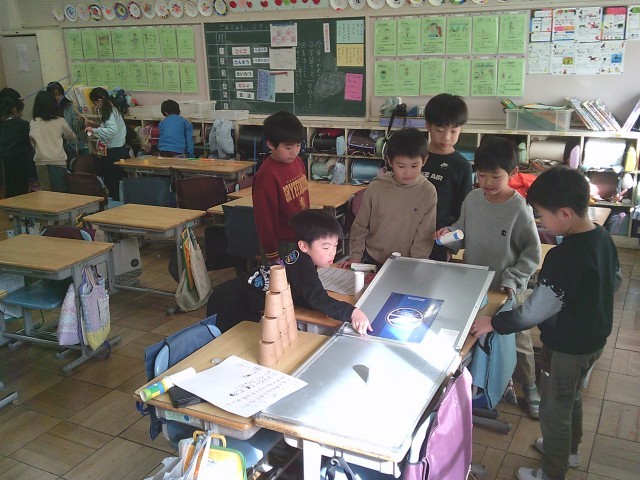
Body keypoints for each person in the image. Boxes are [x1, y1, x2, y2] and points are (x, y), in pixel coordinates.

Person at [470, 166, 621, 480]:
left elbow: (533, 313)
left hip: (568, 346)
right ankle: (569, 452)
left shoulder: (563, 257)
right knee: (571, 398)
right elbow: (615, 281)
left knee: (555, 410)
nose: (541, 223)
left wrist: (494, 323)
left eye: (542, 215)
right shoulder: (603, 237)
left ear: (564, 213)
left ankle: (552, 472)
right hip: (594, 339)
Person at [435, 136, 542, 418]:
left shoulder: (519, 208)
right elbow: (461, 232)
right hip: (475, 285)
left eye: (495, 176)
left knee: (518, 340)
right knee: (475, 336)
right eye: (481, 175)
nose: (487, 182)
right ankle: (484, 384)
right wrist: (448, 236)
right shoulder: (472, 199)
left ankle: (529, 385)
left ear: (513, 173)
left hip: (506, 290)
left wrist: (513, 279)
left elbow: (532, 253)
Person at [207, 209, 371, 335]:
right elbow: (318, 299)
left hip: (235, 295)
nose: (332, 253)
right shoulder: (303, 264)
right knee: (221, 344)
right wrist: (352, 313)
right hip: (231, 302)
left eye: (335, 246)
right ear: (303, 246)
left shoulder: (300, 257)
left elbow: (307, 294)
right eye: (326, 247)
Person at [348, 128, 437, 268]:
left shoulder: (427, 192)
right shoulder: (376, 188)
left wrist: (416, 265)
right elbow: (360, 226)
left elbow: (424, 235)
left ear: (424, 160)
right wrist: (355, 256)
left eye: (414, 166)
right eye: (401, 166)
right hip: (372, 259)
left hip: (407, 263)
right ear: (389, 161)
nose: (408, 172)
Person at [252, 111, 309, 264]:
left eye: (298, 145)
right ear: (271, 144)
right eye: (288, 147)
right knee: (283, 279)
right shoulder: (267, 175)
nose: (294, 151)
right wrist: (272, 254)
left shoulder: (298, 162)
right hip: (281, 245)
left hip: (301, 237)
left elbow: (304, 198)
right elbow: (265, 219)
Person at [423, 93, 473, 261]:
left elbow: (463, 212)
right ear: (428, 125)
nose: (446, 137)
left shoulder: (462, 166)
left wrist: (450, 245)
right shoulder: (415, 158)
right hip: (407, 234)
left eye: (454, 131)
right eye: (439, 130)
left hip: (439, 239)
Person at [85, 87, 129, 201]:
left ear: (100, 100)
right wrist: (96, 125)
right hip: (119, 149)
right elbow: (110, 127)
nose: (95, 106)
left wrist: (93, 130)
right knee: (118, 181)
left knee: (112, 181)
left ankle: (115, 203)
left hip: (113, 152)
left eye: (95, 103)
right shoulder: (113, 108)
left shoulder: (109, 111)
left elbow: (112, 131)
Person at [29, 90, 76, 190]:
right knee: (60, 192)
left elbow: (33, 143)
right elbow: (71, 137)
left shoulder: (33, 122)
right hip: (58, 160)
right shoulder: (60, 121)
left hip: (40, 161)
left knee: (46, 192)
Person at [46, 81, 87, 165]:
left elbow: (75, 128)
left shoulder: (68, 105)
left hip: (68, 144)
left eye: (60, 95)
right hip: (54, 146)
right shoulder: (46, 109)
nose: (57, 97)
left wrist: (81, 121)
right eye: (54, 95)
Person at [0, 94, 31, 197]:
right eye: (20, 111)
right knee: (21, 190)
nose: (21, 114)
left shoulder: (3, 126)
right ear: (14, 110)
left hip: (5, 161)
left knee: (9, 189)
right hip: (21, 160)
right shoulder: (23, 124)